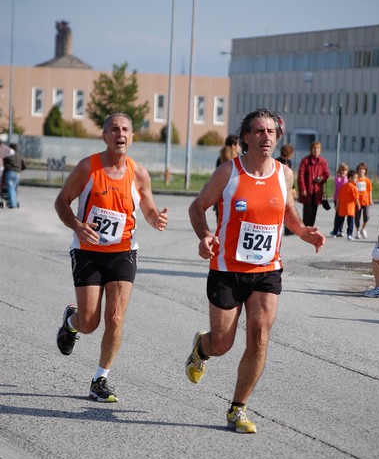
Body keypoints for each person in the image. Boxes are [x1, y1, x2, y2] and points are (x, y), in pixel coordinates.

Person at [185, 109, 325, 434]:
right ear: (246, 137)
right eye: (259, 131)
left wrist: (303, 231)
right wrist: (205, 235)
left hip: (267, 269)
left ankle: (238, 408)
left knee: (260, 335)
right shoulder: (227, 173)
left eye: (271, 132)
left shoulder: (283, 174)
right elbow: (197, 206)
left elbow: (287, 210)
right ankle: (201, 349)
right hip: (226, 269)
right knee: (222, 343)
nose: (266, 137)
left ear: (278, 138)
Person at [54, 113, 168, 402]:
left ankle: (99, 378)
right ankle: (72, 321)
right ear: (104, 136)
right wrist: (77, 226)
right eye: (115, 129)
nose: (121, 134)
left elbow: (149, 209)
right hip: (87, 252)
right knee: (90, 322)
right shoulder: (88, 168)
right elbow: (61, 202)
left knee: (115, 317)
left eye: (126, 129)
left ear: (132, 136)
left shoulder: (138, 173)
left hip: (123, 252)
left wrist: (156, 220)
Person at [297, 141, 330, 226]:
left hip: (317, 190)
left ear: (320, 150)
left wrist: (321, 178)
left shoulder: (323, 162)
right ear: (311, 150)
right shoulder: (305, 161)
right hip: (307, 189)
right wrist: (303, 188)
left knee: (314, 209)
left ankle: (311, 226)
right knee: (307, 209)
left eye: (318, 149)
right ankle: (306, 227)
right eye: (314, 148)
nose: (316, 151)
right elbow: (300, 175)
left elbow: (326, 174)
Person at [213, 135, 241, 219]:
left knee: (221, 221)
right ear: (233, 145)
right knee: (239, 218)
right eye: (238, 144)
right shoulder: (239, 160)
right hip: (237, 195)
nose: (240, 147)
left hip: (220, 196)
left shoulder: (220, 159)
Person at [330, 170, 360, 240]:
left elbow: (339, 197)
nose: (356, 179)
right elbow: (356, 198)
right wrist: (358, 205)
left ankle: (335, 232)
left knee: (339, 221)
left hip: (342, 207)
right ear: (349, 178)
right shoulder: (353, 187)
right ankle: (349, 234)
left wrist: (337, 205)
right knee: (350, 222)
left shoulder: (343, 186)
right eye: (355, 178)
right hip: (350, 208)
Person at [276, 144, 295, 235]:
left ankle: (288, 229)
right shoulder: (276, 161)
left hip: (287, 187)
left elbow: (290, 176)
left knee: (287, 208)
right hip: (278, 187)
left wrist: (293, 187)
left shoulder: (289, 162)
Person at [2, 143, 26, 208]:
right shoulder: (19, 156)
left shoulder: (7, 155)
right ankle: (14, 201)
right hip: (17, 173)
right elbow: (24, 166)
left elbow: (2, 163)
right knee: (14, 188)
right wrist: (19, 169)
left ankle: (12, 203)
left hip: (9, 172)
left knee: (10, 187)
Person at [354, 162, 373, 239]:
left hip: (366, 201)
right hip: (357, 201)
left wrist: (371, 199)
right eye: (360, 169)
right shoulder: (356, 179)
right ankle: (357, 231)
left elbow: (370, 190)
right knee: (357, 217)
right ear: (358, 170)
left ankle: (363, 229)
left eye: (363, 169)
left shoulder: (367, 180)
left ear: (365, 171)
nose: (361, 171)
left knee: (366, 216)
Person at [330, 162, 349, 237]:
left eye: (345, 170)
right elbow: (339, 187)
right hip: (337, 199)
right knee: (337, 214)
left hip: (344, 199)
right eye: (342, 170)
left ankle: (340, 229)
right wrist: (342, 178)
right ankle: (336, 229)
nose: (343, 172)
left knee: (342, 215)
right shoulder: (337, 178)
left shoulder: (347, 179)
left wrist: (345, 178)